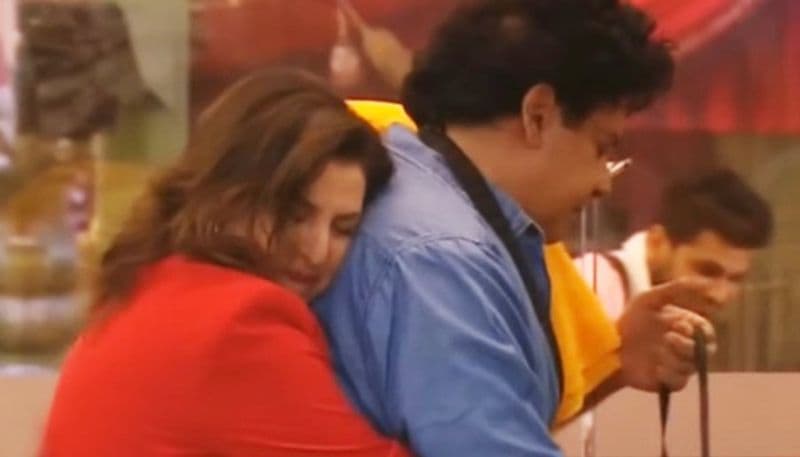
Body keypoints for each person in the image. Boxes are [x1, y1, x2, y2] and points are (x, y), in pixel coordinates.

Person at [314, 1, 719, 456]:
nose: (603, 184)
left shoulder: (428, 204)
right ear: (537, 114)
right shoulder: (442, 255)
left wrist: (617, 361)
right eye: (601, 147)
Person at [40, 68, 410, 457]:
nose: (316, 251)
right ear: (229, 193)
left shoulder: (151, 281)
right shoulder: (240, 324)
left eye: (343, 229)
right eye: (294, 216)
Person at [580, 169, 774, 319]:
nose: (720, 296)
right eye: (706, 271)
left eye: (736, 279)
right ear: (657, 242)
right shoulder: (593, 288)